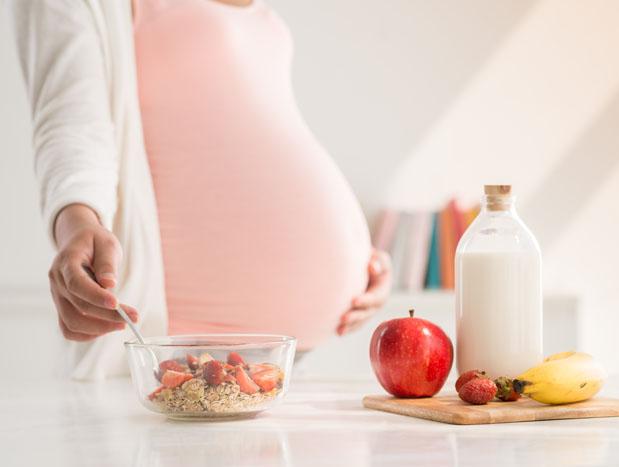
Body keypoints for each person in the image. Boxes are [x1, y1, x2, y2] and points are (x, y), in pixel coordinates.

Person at [8, 0, 390, 379]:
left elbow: (255, 126)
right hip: (181, 354)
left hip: (297, 358)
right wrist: (76, 223)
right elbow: (72, 126)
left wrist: (361, 261)